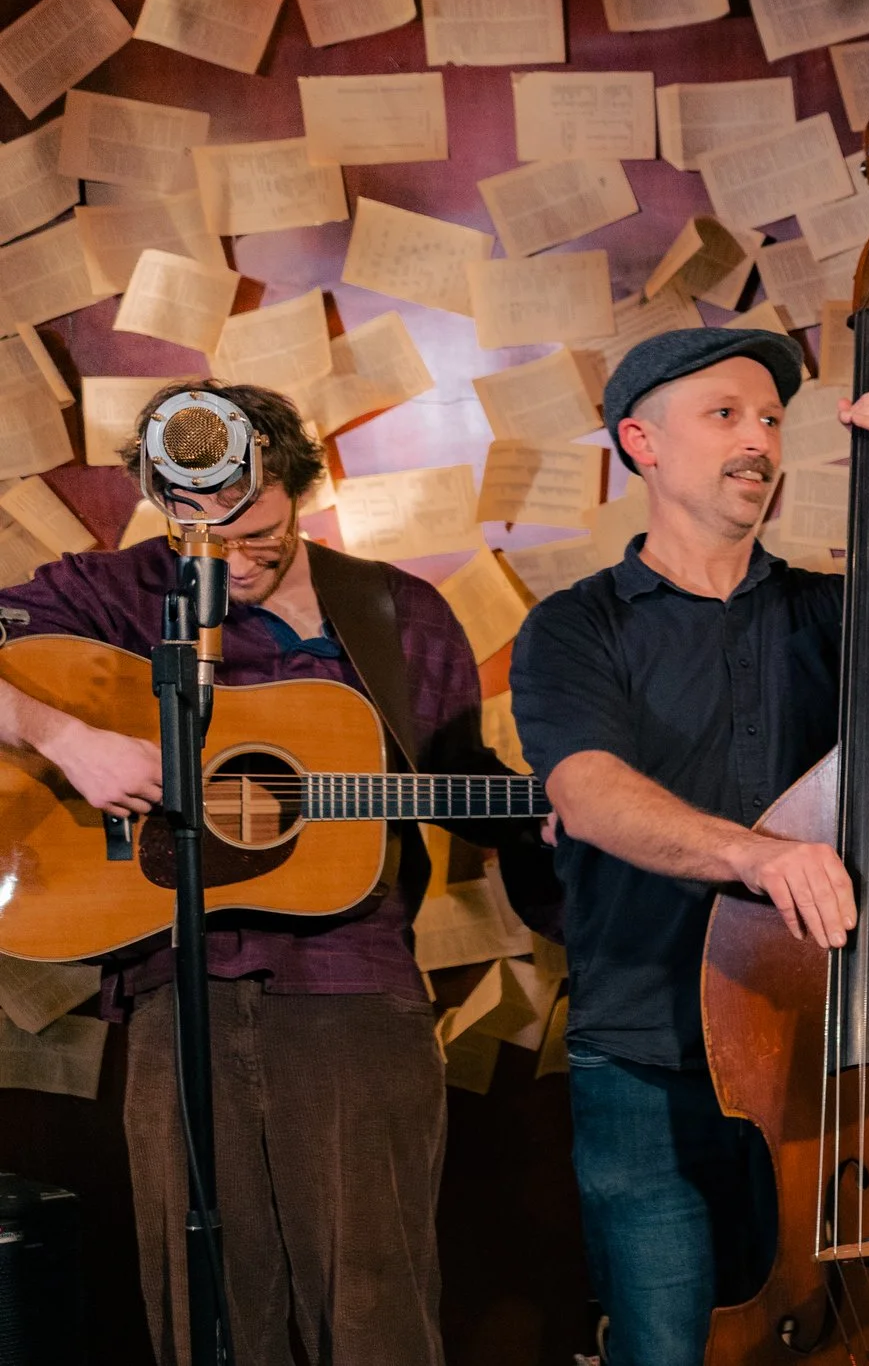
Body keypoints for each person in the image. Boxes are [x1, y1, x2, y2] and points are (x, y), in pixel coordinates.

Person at [0, 380, 546, 1366]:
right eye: (197, 528)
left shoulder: (397, 615)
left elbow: (466, 783)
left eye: (256, 526)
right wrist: (67, 736)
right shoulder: (112, 592)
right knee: (207, 1311)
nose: (229, 554)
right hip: (175, 996)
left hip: (353, 995)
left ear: (295, 486)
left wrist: (553, 811)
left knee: (374, 1307)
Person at [508, 328, 869, 1364]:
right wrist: (757, 854)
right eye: (724, 413)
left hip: (824, 1054)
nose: (758, 438)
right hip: (648, 1057)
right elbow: (588, 793)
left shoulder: (832, 611)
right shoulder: (574, 627)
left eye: (770, 418)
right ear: (643, 441)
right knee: (669, 1347)